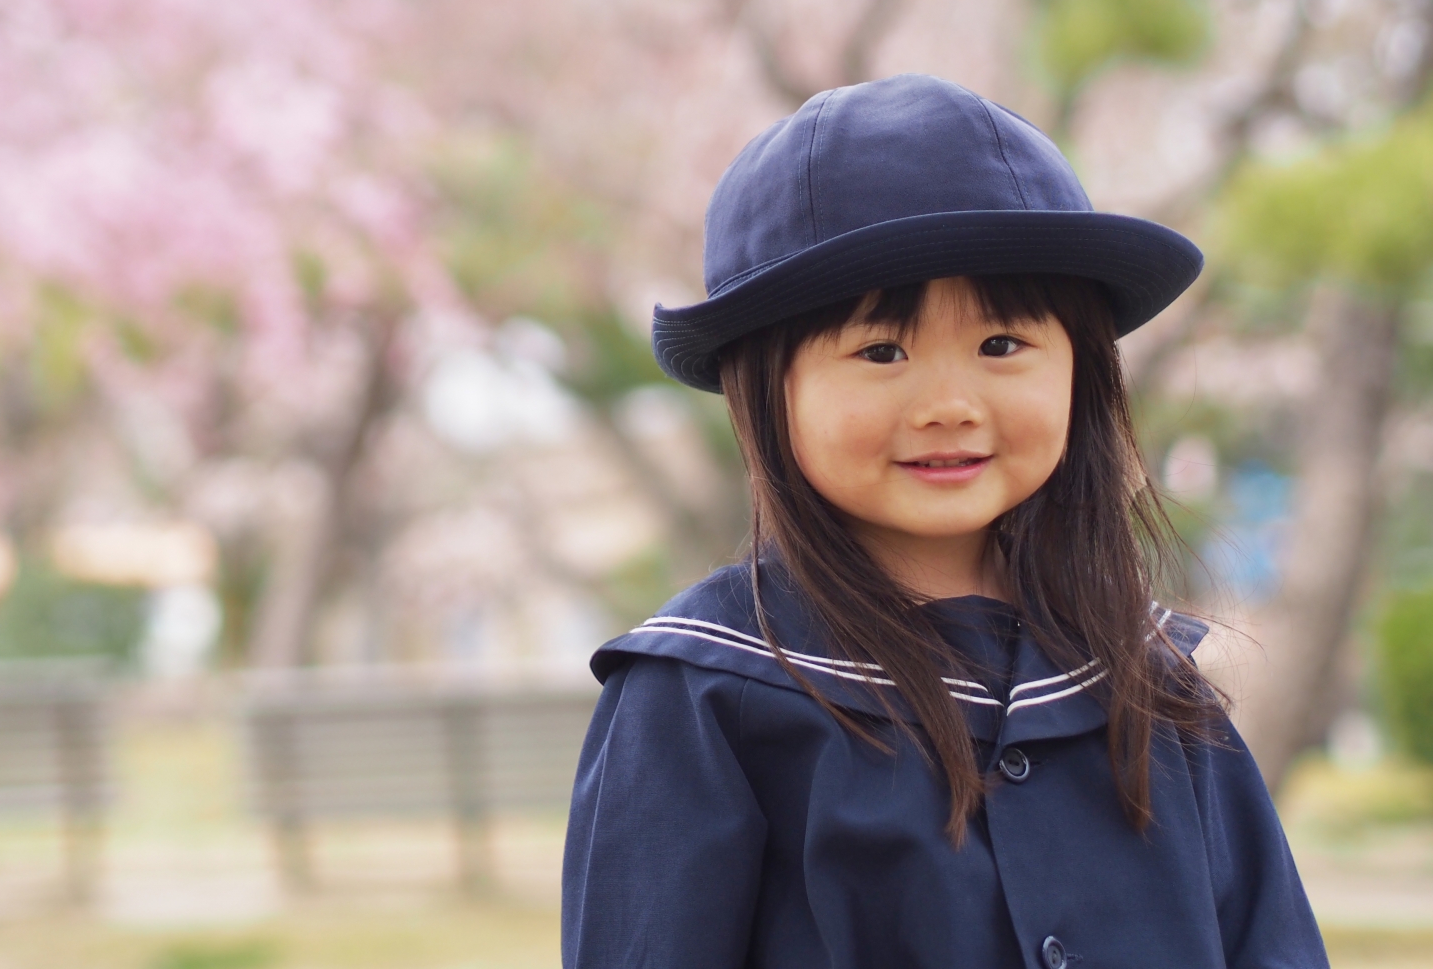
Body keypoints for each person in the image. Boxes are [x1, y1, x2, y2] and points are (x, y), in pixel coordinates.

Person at [562, 74, 1327, 969]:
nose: (950, 404)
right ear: (765, 390)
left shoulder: (1154, 686)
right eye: (881, 352)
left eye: (1003, 346)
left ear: (1080, 369)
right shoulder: (703, 696)